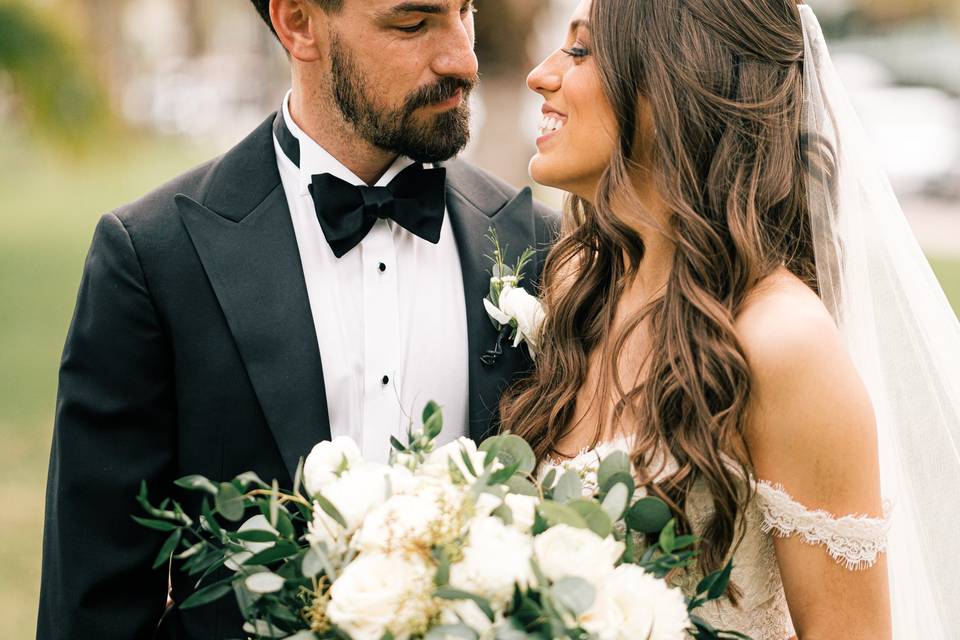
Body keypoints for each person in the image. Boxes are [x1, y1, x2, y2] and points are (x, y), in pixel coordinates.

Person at [37, 1, 557, 637]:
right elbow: (93, 604)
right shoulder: (153, 258)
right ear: (299, 24)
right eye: (413, 23)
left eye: (465, 10)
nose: (463, 60)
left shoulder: (543, 249)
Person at [504, 0, 960, 637]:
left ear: (672, 86)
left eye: (580, 51)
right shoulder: (579, 286)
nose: (541, 75)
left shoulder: (780, 341)